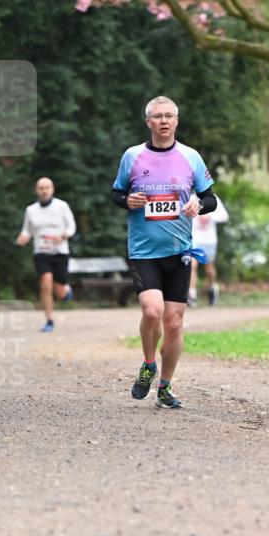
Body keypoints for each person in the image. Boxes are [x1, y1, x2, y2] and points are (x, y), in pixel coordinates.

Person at [112, 96, 217, 409]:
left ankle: (165, 386)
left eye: (169, 115)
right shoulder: (132, 156)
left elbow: (210, 198)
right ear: (148, 122)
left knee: (173, 324)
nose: (163, 121)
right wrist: (127, 200)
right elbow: (117, 193)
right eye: (157, 116)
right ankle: (148, 364)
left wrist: (198, 204)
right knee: (152, 311)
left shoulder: (191, 157)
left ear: (177, 121)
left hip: (179, 251)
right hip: (144, 251)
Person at [16, 177, 76, 332]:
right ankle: (49, 320)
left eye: (47, 187)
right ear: (36, 190)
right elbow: (27, 230)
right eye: (41, 188)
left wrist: (62, 236)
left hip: (60, 251)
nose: (44, 190)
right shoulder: (31, 210)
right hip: (41, 252)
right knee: (45, 283)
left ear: (52, 189)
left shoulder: (62, 206)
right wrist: (23, 237)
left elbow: (72, 227)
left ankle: (66, 291)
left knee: (60, 292)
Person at [188, 194, 229, 306]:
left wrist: (209, 217)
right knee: (192, 265)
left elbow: (224, 216)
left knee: (209, 269)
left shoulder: (213, 198)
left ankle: (212, 287)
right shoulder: (191, 198)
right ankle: (192, 295)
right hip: (195, 238)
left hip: (209, 240)